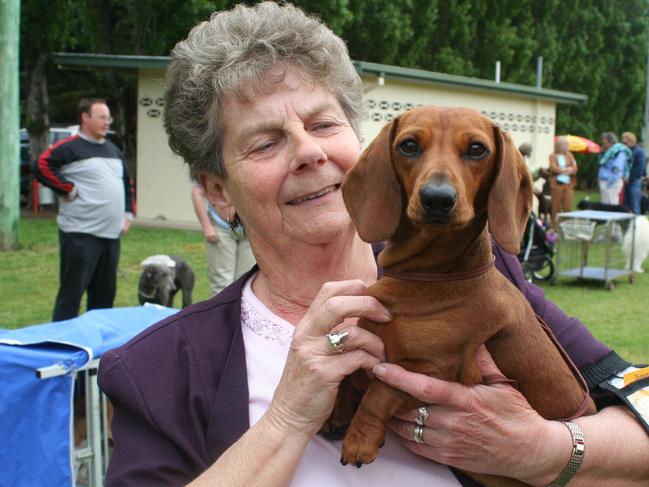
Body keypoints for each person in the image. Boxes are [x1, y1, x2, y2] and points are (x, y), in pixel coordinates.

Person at [98, 3, 649, 486]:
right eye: (266, 142)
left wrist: (545, 451)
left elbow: (638, 400)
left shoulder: (483, 276)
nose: (309, 152)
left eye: (323, 123)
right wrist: (288, 417)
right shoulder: (160, 370)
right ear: (219, 191)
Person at [33, 98, 134, 321]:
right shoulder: (69, 148)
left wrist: (128, 214)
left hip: (110, 236)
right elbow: (41, 165)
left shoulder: (113, 151)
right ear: (85, 118)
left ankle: (96, 350)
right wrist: (67, 189)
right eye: (101, 117)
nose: (106, 122)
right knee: (71, 296)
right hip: (80, 234)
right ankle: (61, 346)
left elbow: (127, 183)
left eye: (108, 118)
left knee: (104, 299)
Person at [191, 184, 256, 296]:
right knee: (222, 283)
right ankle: (222, 313)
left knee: (246, 281)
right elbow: (196, 192)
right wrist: (207, 226)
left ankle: (239, 313)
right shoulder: (215, 168)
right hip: (221, 229)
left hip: (250, 231)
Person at [548, 136, 578, 230]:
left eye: (567, 145)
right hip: (557, 185)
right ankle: (554, 228)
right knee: (555, 208)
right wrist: (566, 169)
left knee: (568, 207)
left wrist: (568, 170)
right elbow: (553, 168)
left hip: (568, 185)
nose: (566, 147)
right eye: (564, 145)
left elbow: (575, 168)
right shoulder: (553, 156)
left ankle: (566, 228)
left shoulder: (570, 155)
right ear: (559, 145)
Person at [598, 132, 631, 205]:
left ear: (611, 142)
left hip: (612, 182)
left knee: (612, 204)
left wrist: (609, 182)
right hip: (605, 181)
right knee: (604, 205)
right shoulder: (607, 153)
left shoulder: (619, 153)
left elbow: (617, 169)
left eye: (605, 143)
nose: (603, 145)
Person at [621, 131, 647, 214]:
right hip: (625, 181)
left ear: (631, 141)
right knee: (625, 204)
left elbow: (640, 168)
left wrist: (629, 178)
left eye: (626, 142)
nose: (624, 144)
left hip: (634, 181)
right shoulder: (625, 152)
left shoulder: (639, 152)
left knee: (634, 204)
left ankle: (637, 224)